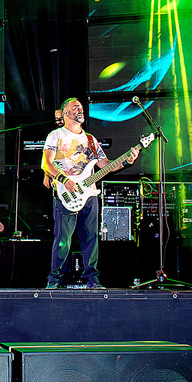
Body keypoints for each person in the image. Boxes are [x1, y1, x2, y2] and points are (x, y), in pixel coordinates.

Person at [42, 98, 140, 290]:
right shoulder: (56, 136)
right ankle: (54, 280)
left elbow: (106, 165)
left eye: (81, 107)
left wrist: (127, 161)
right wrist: (64, 180)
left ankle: (92, 280)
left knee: (91, 239)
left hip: (89, 195)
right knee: (62, 240)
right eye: (75, 107)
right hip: (65, 193)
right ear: (65, 113)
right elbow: (46, 164)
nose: (80, 109)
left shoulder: (90, 140)